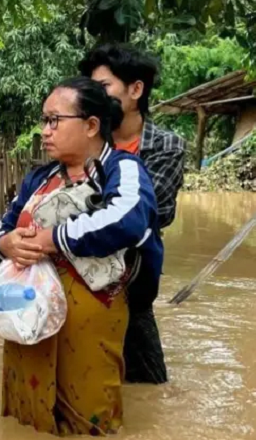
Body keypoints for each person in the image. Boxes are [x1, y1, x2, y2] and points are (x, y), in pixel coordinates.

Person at [0, 77, 163, 435]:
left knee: (88, 413)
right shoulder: (38, 178)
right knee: (27, 411)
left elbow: (127, 218)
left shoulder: (122, 169)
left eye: (55, 120)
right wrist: (6, 246)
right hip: (29, 314)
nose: (44, 131)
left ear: (91, 125)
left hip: (91, 314)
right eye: (43, 121)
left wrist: (52, 238)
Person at [79, 43, 185, 384]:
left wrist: (92, 207)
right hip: (81, 271)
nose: (96, 95)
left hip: (135, 277)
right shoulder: (85, 139)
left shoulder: (165, 146)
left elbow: (155, 213)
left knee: (148, 385)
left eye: (104, 87)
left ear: (136, 89)